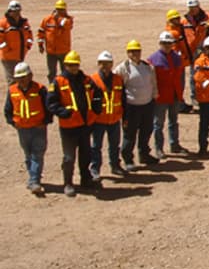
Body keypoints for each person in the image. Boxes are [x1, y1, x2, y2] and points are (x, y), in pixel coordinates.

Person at [47, 51, 103, 197]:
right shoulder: (58, 82)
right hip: (69, 127)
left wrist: (96, 109)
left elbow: (97, 93)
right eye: (70, 65)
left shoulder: (86, 80)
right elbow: (51, 103)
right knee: (69, 157)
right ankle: (68, 183)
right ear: (65, 65)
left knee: (85, 155)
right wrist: (63, 112)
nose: (73, 68)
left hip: (85, 125)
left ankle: (86, 179)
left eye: (75, 65)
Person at [4, 62, 51, 195]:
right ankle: (33, 178)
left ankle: (34, 181)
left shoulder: (40, 89)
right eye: (19, 78)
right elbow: (8, 109)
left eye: (24, 77)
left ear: (30, 76)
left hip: (38, 128)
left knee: (37, 154)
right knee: (27, 155)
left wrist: (45, 122)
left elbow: (48, 107)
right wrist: (13, 123)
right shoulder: (12, 90)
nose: (21, 80)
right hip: (22, 129)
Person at [114, 40, 158, 171]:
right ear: (128, 53)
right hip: (131, 107)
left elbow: (153, 82)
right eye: (132, 51)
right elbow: (117, 87)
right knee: (130, 134)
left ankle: (144, 154)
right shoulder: (122, 68)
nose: (135, 54)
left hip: (147, 105)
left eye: (137, 51)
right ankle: (128, 159)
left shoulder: (147, 67)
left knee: (146, 131)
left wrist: (154, 96)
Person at [149, 31, 187, 157]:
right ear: (160, 43)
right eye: (165, 43)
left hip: (175, 95)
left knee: (173, 121)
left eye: (169, 43)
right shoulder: (153, 59)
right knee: (158, 124)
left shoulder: (177, 57)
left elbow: (180, 77)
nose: (167, 46)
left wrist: (180, 95)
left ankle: (174, 145)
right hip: (161, 97)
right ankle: (159, 149)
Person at [90, 51, 125, 179]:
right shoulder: (93, 80)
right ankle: (95, 169)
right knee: (96, 146)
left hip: (114, 119)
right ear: (98, 64)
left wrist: (124, 117)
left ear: (112, 64)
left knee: (114, 145)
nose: (105, 66)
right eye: (102, 63)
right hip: (99, 120)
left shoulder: (117, 79)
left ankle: (115, 166)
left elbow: (123, 99)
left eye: (108, 63)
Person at [37, 0, 73, 83]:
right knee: (51, 72)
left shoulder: (68, 20)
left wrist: (58, 19)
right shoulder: (47, 20)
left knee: (65, 72)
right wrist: (40, 45)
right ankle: (52, 88)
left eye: (62, 10)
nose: (60, 11)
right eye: (58, 9)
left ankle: (65, 87)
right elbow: (41, 32)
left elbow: (67, 25)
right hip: (51, 52)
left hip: (64, 51)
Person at [0, 0, 33, 84]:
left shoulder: (24, 23)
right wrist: (7, 50)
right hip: (8, 58)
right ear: (9, 11)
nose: (16, 13)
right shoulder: (3, 23)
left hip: (20, 55)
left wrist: (28, 46)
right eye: (14, 11)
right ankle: (11, 97)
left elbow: (29, 35)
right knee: (12, 81)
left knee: (20, 80)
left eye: (18, 11)